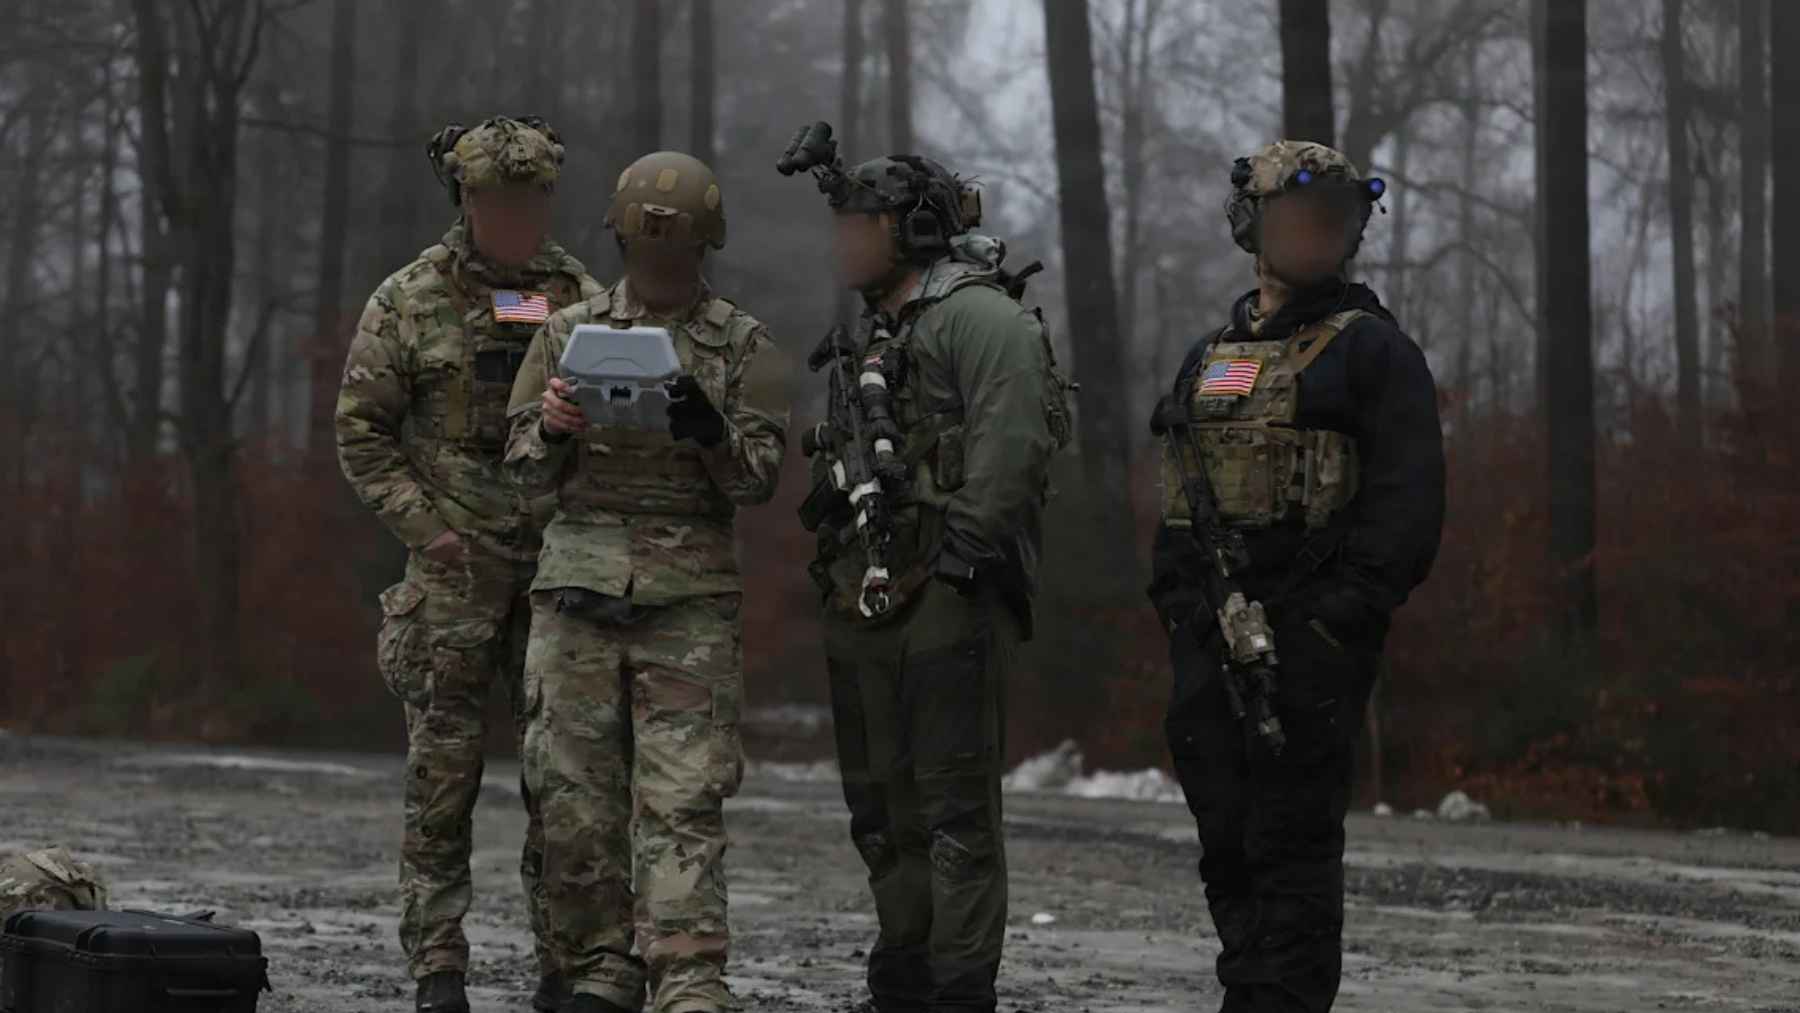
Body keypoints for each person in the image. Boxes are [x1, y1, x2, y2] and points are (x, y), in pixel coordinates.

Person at [1146, 141, 1446, 1012]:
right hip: (1210, 646)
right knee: (1228, 848)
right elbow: (1176, 506)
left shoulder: (1374, 354)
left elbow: (1407, 512)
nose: (1315, 238)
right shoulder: (1211, 357)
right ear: (1252, 227)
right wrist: (1180, 615)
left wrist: (1333, 627)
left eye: (1332, 223)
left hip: (1308, 652)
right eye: (1295, 221)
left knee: (1292, 853)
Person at [502, 150, 789, 1013]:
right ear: (624, 242)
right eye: (645, 247)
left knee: (681, 800)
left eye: (676, 250)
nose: (660, 265)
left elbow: (760, 480)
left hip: (687, 603)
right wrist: (550, 427)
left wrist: (709, 430)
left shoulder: (745, 344)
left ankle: (689, 976)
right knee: (572, 798)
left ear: (704, 248)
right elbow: (517, 471)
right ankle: (599, 967)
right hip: (578, 592)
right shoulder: (565, 331)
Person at [336, 115, 601, 1013]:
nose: (517, 221)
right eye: (499, 205)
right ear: (467, 201)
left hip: (555, 576)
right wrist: (426, 528)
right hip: (452, 577)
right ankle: (438, 967)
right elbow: (360, 433)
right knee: (441, 787)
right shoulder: (409, 298)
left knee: (562, 787)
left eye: (532, 204)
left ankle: (565, 967)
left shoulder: (581, 299)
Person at [797, 145, 1068, 1012]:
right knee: (880, 805)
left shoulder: (976, 318)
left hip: (948, 589)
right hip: (869, 588)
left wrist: (967, 550)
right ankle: (902, 972)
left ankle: (956, 988)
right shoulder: (883, 331)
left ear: (910, 230)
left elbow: (1015, 438)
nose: (843, 242)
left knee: (951, 809)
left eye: (859, 225)